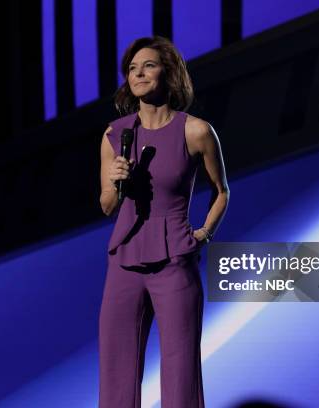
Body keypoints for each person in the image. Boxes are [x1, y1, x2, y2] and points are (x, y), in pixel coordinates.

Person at [98, 36, 229, 408]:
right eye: (132, 68)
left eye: (149, 65)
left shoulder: (196, 131)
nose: (138, 73)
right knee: (115, 371)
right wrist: (116, 182)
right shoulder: (113, 135)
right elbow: (106, 206)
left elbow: (222, 191)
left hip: (175, 259)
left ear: (168, 73)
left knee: (180, 369)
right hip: (124, 258)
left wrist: (204, 233)